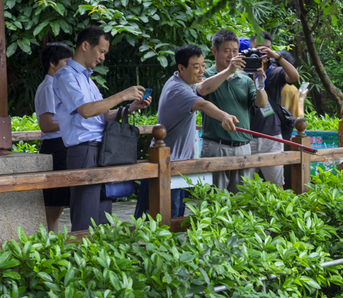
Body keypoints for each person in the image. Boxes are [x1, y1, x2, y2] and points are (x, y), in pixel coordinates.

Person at [53, 26, 152, 232]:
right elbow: (86, 111)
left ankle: (100, 262)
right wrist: (122, 95)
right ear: (85, 45)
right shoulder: (65, 76)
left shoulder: (88, 79)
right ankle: (81, 261)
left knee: (103, 214)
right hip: (83, 150)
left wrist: (130, 107)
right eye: (102, 51)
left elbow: (102, 115)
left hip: (101, 149)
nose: (103, 58)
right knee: (86, 216)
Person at [133, 44, 241, 219]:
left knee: (169, 219)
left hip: (177, 167)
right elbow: (202, 104)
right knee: (165, 221)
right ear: (181, 68)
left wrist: (229, 70)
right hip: (169, 167)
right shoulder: (178, 90)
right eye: (196, 67)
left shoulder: (182, 81)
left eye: (203, 65)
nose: (201, 71)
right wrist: (223, 116)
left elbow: (203, 88)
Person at [197, 29, 268, 193]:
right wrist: (229, 71)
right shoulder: (205, 75)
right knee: (215, 200)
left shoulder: (245, 80)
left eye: (235, 51)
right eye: (226, 51)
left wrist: (259, 81)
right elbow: (202, 89)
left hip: (244, 147)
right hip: (216, 146)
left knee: (241, 202)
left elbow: (262, 103)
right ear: (215, 51)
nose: (231, 55)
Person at [246, 31, 300, 188]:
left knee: (276, 184)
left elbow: (294, 77)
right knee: (244, 186)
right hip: (247, 136)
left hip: (272, 136)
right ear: (250, 48)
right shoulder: (241, 72)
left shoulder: (275, 72)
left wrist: (278, 57)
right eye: (257, 47)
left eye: (266, 48)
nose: (262, 51)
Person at [35, 42, 73, 233]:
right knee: (53, 207)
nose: (69, 66)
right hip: (54, 147)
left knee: (58, 207)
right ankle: (51, 251)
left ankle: (54, 248)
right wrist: (73, 121)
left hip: (60, 146)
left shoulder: (56, 86)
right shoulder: (48, 88)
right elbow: (46, 124)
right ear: (52, 63)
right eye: (66, 61)